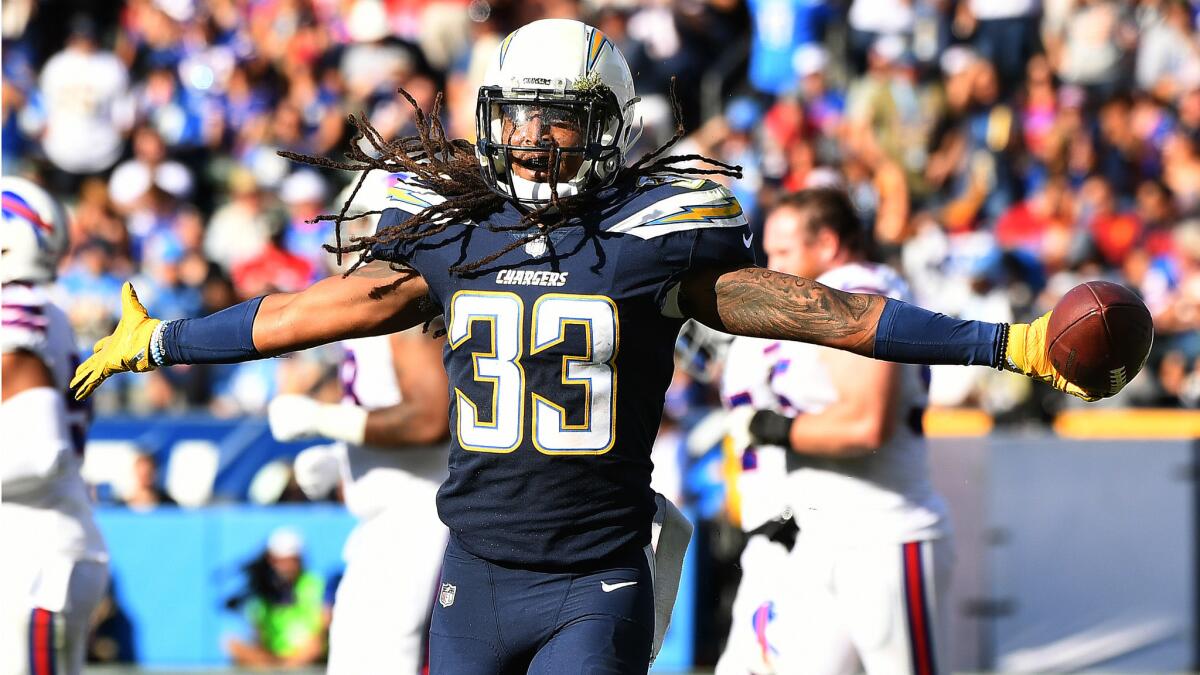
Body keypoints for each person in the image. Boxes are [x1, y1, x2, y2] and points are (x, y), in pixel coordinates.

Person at [73, 18, 1106, 674]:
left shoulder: (655, 247)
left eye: (555, 121)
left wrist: (1005, 341)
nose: (529, 141)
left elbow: (834, 313)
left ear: (606, 124)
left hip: (595, 579)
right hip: (472, 572)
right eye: (516, 119)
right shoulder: (456, 240)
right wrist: (162, 339)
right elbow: (299, 314)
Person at [719, 189, 951, 674]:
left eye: (784, 253)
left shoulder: (854, 291)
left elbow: (866, 425)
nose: (773, 268)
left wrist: (773, 429)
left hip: (886, 533)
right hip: (821, 537)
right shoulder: (808, 308)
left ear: (826, 244)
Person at [267, 320, 451, 674]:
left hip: (417, 513)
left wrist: (320, 418)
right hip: (389, 516)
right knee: (354, 656)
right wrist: (341, 458)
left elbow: (431, 418)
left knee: (384, 658)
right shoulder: (370, 302)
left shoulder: (404, 297)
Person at [1, 176, 109, 675]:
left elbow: (43, 453)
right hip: (40, 543)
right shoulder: (46, 311)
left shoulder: (15, 314)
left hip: (40, 558)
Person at [225, 528, 329, 668]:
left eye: (290, 560)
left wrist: (289, 665)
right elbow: (258, 637)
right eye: (278, 561)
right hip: (274, 660)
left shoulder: (316, 585)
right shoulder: (261, 591)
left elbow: (318, 639)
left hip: (307, 660)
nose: (284, 567)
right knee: (233, 645)